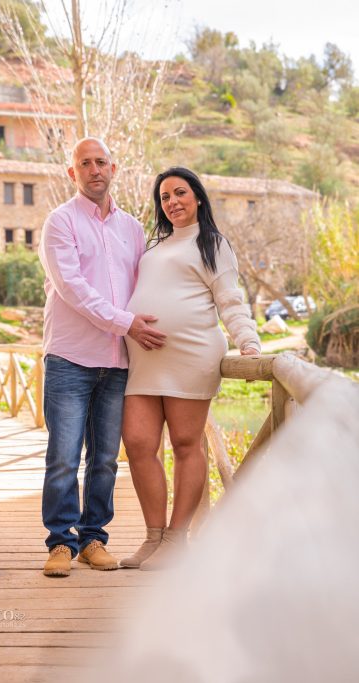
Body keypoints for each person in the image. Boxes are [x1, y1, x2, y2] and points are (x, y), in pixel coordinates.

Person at [120, 166, 261, 571]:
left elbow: (230, 299)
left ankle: (176, 539)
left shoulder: (212, 243)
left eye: (180, 192)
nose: (172, 202)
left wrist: (248, 341)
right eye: (164, 197)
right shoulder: (154, 246)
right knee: (138, 443)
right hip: (144, 361)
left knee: (185, 444)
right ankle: (153, 537)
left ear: (197, 196)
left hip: (192, 355)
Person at [38, 137, 166, 577]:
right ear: (72, 173)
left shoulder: (132, 228)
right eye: (85, 163)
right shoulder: (60, 222)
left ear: (114, 169)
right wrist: (126, 323)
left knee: (106, 459)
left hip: (117, 364)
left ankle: (93, 539)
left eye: (101, 162)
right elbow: (72, 288)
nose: (94, 170)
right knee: (63, 458)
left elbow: (145, 287)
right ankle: (60, 542)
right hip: (70, 357)